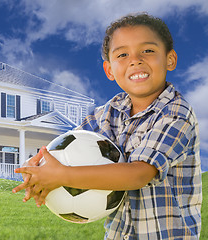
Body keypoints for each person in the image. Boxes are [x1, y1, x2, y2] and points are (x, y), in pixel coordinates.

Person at [12, 13, 202, 239]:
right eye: (122, 54)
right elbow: (69, 148)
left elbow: (138, 175)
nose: (135, 60)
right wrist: (38, 168)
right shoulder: (108, 112)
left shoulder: (176, 113)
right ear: (109, 70)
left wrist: (62, 175)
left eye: (148, 50)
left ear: (170, 59)